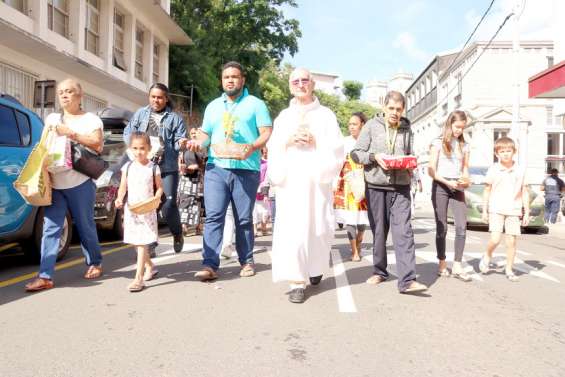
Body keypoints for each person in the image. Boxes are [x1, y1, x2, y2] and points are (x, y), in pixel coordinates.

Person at [187, 61, 272, 281]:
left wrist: (252, 147)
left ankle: (247, 261)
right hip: (216, 168)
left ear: (242, 80)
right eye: (226, 77)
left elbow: (266, 132)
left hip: (246, 169)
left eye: (235, 77)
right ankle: (209, 264)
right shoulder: (213, 106)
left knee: (243, 218)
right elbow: (206, 135)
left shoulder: (256, 104)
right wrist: (198, 143)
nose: (230, 80)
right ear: (222, 81)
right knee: (214, 217)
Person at [267, 67, 344, 304]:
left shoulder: (326, 116)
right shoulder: (283, 117)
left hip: (316, 182)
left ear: (312, 84)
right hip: (291, 184)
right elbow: (272, 147)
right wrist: (288, 141)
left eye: (304, 80)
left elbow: (337, 148)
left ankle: (314, 267)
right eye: (296, 81)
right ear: (291, 86)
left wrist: (316, 140)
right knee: (292, 231)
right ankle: (296, 281)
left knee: (319, 229)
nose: (300, 84)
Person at [25, 79, 104, 292]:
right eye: (61, 92)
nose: (65, 95)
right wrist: (41, 175)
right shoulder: (51, 118)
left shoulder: (91, 119)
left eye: (69, 92)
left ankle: (94, 262)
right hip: (55, 182)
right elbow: (43, 147)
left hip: (80, 182)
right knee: (51, 228)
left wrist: (70, 133)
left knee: (85, 225)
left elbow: (97, 145)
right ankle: (45, 275)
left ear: (80, 96)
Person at [350, 91, 428, 294]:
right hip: (375, 186)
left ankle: (407, 280)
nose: (395, 113)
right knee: (379, 232)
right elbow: (356, 154)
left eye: (399, 109)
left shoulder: (407, 128)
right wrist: (375, 157)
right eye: (391, 108)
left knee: (404, 232)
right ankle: (379, 271)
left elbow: (409, 153)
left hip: (401, 186)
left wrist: (411, 161)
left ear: (403, 110)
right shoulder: (371, 126)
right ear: (384, 107)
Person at [123, 83, 187, 255]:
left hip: (167, 167)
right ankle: (149, 244)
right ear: (149, 97)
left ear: (166, 99)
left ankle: (177, 233)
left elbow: (179, 141)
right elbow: (128, 133)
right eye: (153, 97)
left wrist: (180, 143)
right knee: (148, 205)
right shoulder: (140, 114)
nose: (156, 100)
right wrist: (134, 150)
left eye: (160, 97)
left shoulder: (175, 118)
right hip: (146, 168)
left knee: (168, 204)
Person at [115, 132, 162, 292]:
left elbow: (159, 187)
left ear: (149, 149)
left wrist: (157, 197)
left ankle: (138, 279)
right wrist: (120, 198)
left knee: (142, 243)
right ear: (130, 149)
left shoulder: (153, 168)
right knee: (135, 242)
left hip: (147, 210)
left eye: (142, 148)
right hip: (132, 210)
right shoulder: (127, 167)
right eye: (135, 148)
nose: (138, 152)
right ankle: (150, 266)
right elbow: (123, 186)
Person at [428, 110, 471, 281]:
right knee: (442, 227)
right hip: (440, 185)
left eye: (462, 127)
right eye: (457, 127)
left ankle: (458, 265)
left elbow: (466, 169)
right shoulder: (437, 143)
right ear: (449, 124)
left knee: (461, 226)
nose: (459, 130)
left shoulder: (465, 146)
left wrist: (465, 180)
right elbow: (431, 170)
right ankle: (442, 262)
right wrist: (447, 182)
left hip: (457, 186)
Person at [479, 137, 529, 282]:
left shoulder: (520, 169)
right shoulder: (494, 169)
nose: (506, 154)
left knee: (511, 241)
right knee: (495, 239)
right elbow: (487, 190)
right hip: (496, 208)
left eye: (509, 151)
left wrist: (526, 212)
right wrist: (484, 210)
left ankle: (509, 269)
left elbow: (525, 191)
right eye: (502, 151)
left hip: (514, 209)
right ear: (497, 153)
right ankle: (487, 254)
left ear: (514, 152)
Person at [333, 112, 370, 262]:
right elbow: (337, 164)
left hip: (364, 182)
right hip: (347, 183)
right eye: (350, 124)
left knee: (362, 219)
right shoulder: (344, 142)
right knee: (350, 218)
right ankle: (354, 250)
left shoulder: (368, 141)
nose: (351, 127)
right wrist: (334, 183)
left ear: (362, 125)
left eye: (354, 124)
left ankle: (359, 242)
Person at [253, 148, 271, 236]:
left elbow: (267, 177)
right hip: (254, 187)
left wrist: (263, 186)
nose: (265, 154)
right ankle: (255, 229)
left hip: (263, 187)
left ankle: (264, 227)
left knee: (265, 209)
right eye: (263, 152)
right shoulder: (254, 162)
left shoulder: (267, 163)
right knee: (254, 209)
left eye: (266, 152)